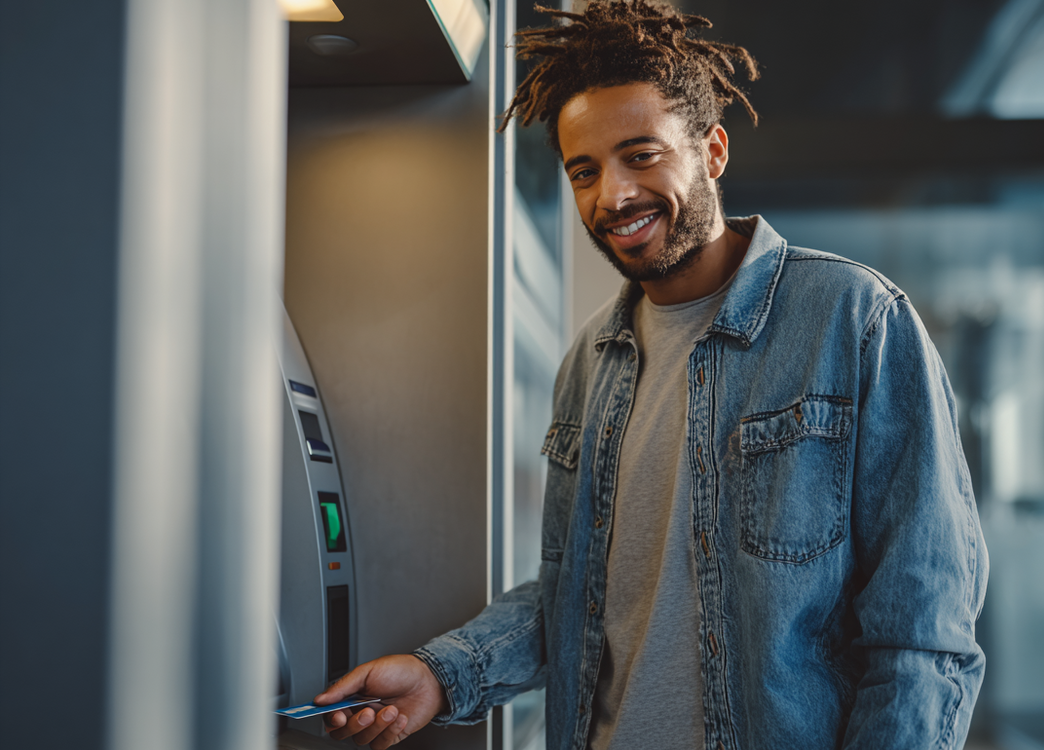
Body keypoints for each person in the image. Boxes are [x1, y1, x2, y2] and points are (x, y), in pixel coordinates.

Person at [314, 2, 989, 748]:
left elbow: (923, 637)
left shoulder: (855, 321)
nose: (613, 197)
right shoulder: (589, 365)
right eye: (585, 171)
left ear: (713, 150)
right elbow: (577, 601)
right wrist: (442, 674)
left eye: (642, 155)